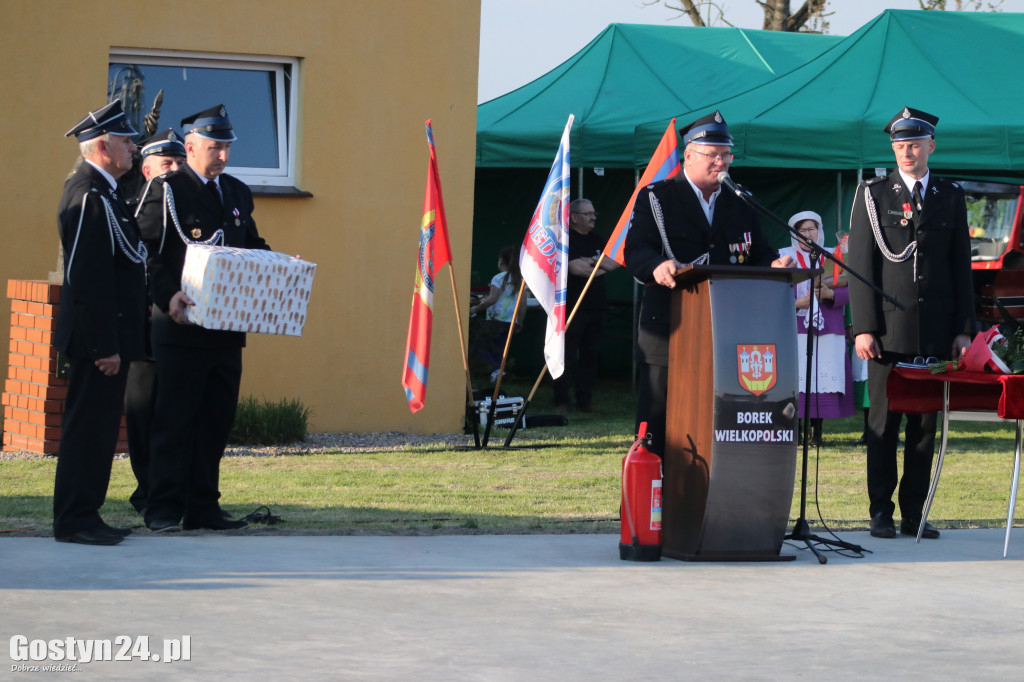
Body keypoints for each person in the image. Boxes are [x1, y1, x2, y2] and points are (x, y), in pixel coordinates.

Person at [623, 110, 792, 457]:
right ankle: (654, 500)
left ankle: (709, 496)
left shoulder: (741, 199)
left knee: (717, 418)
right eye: (712, 155)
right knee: (658, 420)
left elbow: (758, 251)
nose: (721, 162)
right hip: (670, 325)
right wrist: (656, 266)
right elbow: (636, 249)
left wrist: (774, 264)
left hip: (727, 329)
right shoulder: (658, 197)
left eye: (726, 155)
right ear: (688, 154)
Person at [135, 105, 269, 533]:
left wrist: (279, 265)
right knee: (174, 420)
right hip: (181, 326)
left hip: (226, 328)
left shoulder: (234, 192)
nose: (224, 157)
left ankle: (203, 507)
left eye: (228, 148)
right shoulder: (167, 190)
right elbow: (147, 253)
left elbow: (249, 243)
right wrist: (166, 295)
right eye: (215, 148)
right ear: (190, 147)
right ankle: (162, 507)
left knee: (214, 420)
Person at [847, 106, 975, 540]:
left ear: (931, 146)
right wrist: (863, 327)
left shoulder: (949, 195)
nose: (907, 151)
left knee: (924, 429)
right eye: (900, 145)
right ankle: (880, 511)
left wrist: (964, 328)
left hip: (936, 331)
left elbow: (961, 266)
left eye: (915, 144)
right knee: (882, 426)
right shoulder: (873, 194)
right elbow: (860, 265)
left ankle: (914, 513)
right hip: (887, 331)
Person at [53, 101, 148, 545]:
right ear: (103, 146)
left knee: (101, 431)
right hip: (99, 342)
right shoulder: (88, 194)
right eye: (126, 140)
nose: (133, 146)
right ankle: (74, 520)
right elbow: (87, 280)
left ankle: (86, 514)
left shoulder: (107, 193)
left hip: (112, 336)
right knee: (87, 431)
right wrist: (103, 346)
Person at [124, 129, 187, 515]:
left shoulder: (187, 206)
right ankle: (146, 490)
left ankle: (171, 491)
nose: (175, 170)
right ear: (147, 169)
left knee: (176, 414)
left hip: (180, 326)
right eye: (167, 164)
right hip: (144, 327)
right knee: (143, 414)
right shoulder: (135, 207)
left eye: (180, 163)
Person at [777, 211, 855, 446]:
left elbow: (853, 290)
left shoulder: (835, 255)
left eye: (812, 229)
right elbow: (776, 289)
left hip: (829, 326)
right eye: (802, 230)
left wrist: (832, 294)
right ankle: (796, 431)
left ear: (819, 231)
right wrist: (795, 302)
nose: (808, 234)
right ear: (795, 234)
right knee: (797, 378)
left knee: (822, 381)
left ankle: (816, 434)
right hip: (797, 325)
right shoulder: (784, 257)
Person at [552, 199, 619, 413]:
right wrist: (598, 263)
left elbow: (615, 263)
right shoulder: (565, 241)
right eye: (588, 214)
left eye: (594, 213)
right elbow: (576, 269)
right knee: (568, 356)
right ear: (574, 217)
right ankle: (562, 400)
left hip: (597, 307)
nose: (593, 217)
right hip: (572, 307)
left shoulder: (598, 239)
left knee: (590, 356)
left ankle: (585, 400)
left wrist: (590, 261)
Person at [470, 245, 525, 382]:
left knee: (477, 346)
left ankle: (496, 370)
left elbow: (492, 299)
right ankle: (498, 376)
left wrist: (476, 309)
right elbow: (523, 303)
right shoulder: (520, 279)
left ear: (501, 261)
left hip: (495, 320)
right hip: (510, 322)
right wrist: (520, 321)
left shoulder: (498, 278)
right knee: (499, 350)